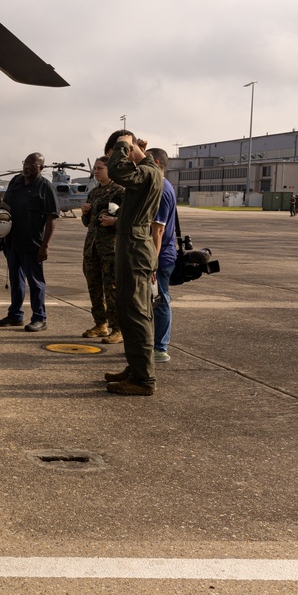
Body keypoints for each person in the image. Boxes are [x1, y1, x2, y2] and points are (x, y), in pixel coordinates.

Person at [102, 131, 163, 396]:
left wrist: (124, 144)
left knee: (136, 313)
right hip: (132, 245)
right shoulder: (147, 170)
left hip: (136, 248)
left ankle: (143, 379)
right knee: (129, 311)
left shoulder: (147, 173)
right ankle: (136, 367)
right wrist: (132, 148)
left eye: (119, 151)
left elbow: (117, 171)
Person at [0, 152, 60, 332]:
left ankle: (40, 318)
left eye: (32, 165)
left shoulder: (45, 187)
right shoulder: (15, 182)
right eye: (26, 163)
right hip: (12, 242)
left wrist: (44, 246)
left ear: (41, 168)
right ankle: (15, 315)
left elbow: (52, 217)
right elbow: (6, 207)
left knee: (36, 283)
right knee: (16, 281)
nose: (27, 167)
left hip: (33, 243)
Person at [80, 157, 124, 342]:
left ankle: (118, 328)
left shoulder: (120, 191)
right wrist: (85, 213)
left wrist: (114, 221)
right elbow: (87, 223)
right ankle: (100, 324)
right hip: (92, 249)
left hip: (110, 249)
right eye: (95, 169)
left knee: (111, 289)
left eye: (100, 168)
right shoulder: (94, 192)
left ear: (109, 169)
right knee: (94, 288)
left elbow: (129, 219)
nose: (96, 171)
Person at [148, 148, 176, 364]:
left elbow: (158, 231)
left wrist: (152, 264)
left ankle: (160, 348)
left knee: (160, 300)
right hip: (160, 255)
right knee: (154, 301)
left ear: (156, 163)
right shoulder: (161, 186)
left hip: (160, 257)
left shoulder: (162, 190)